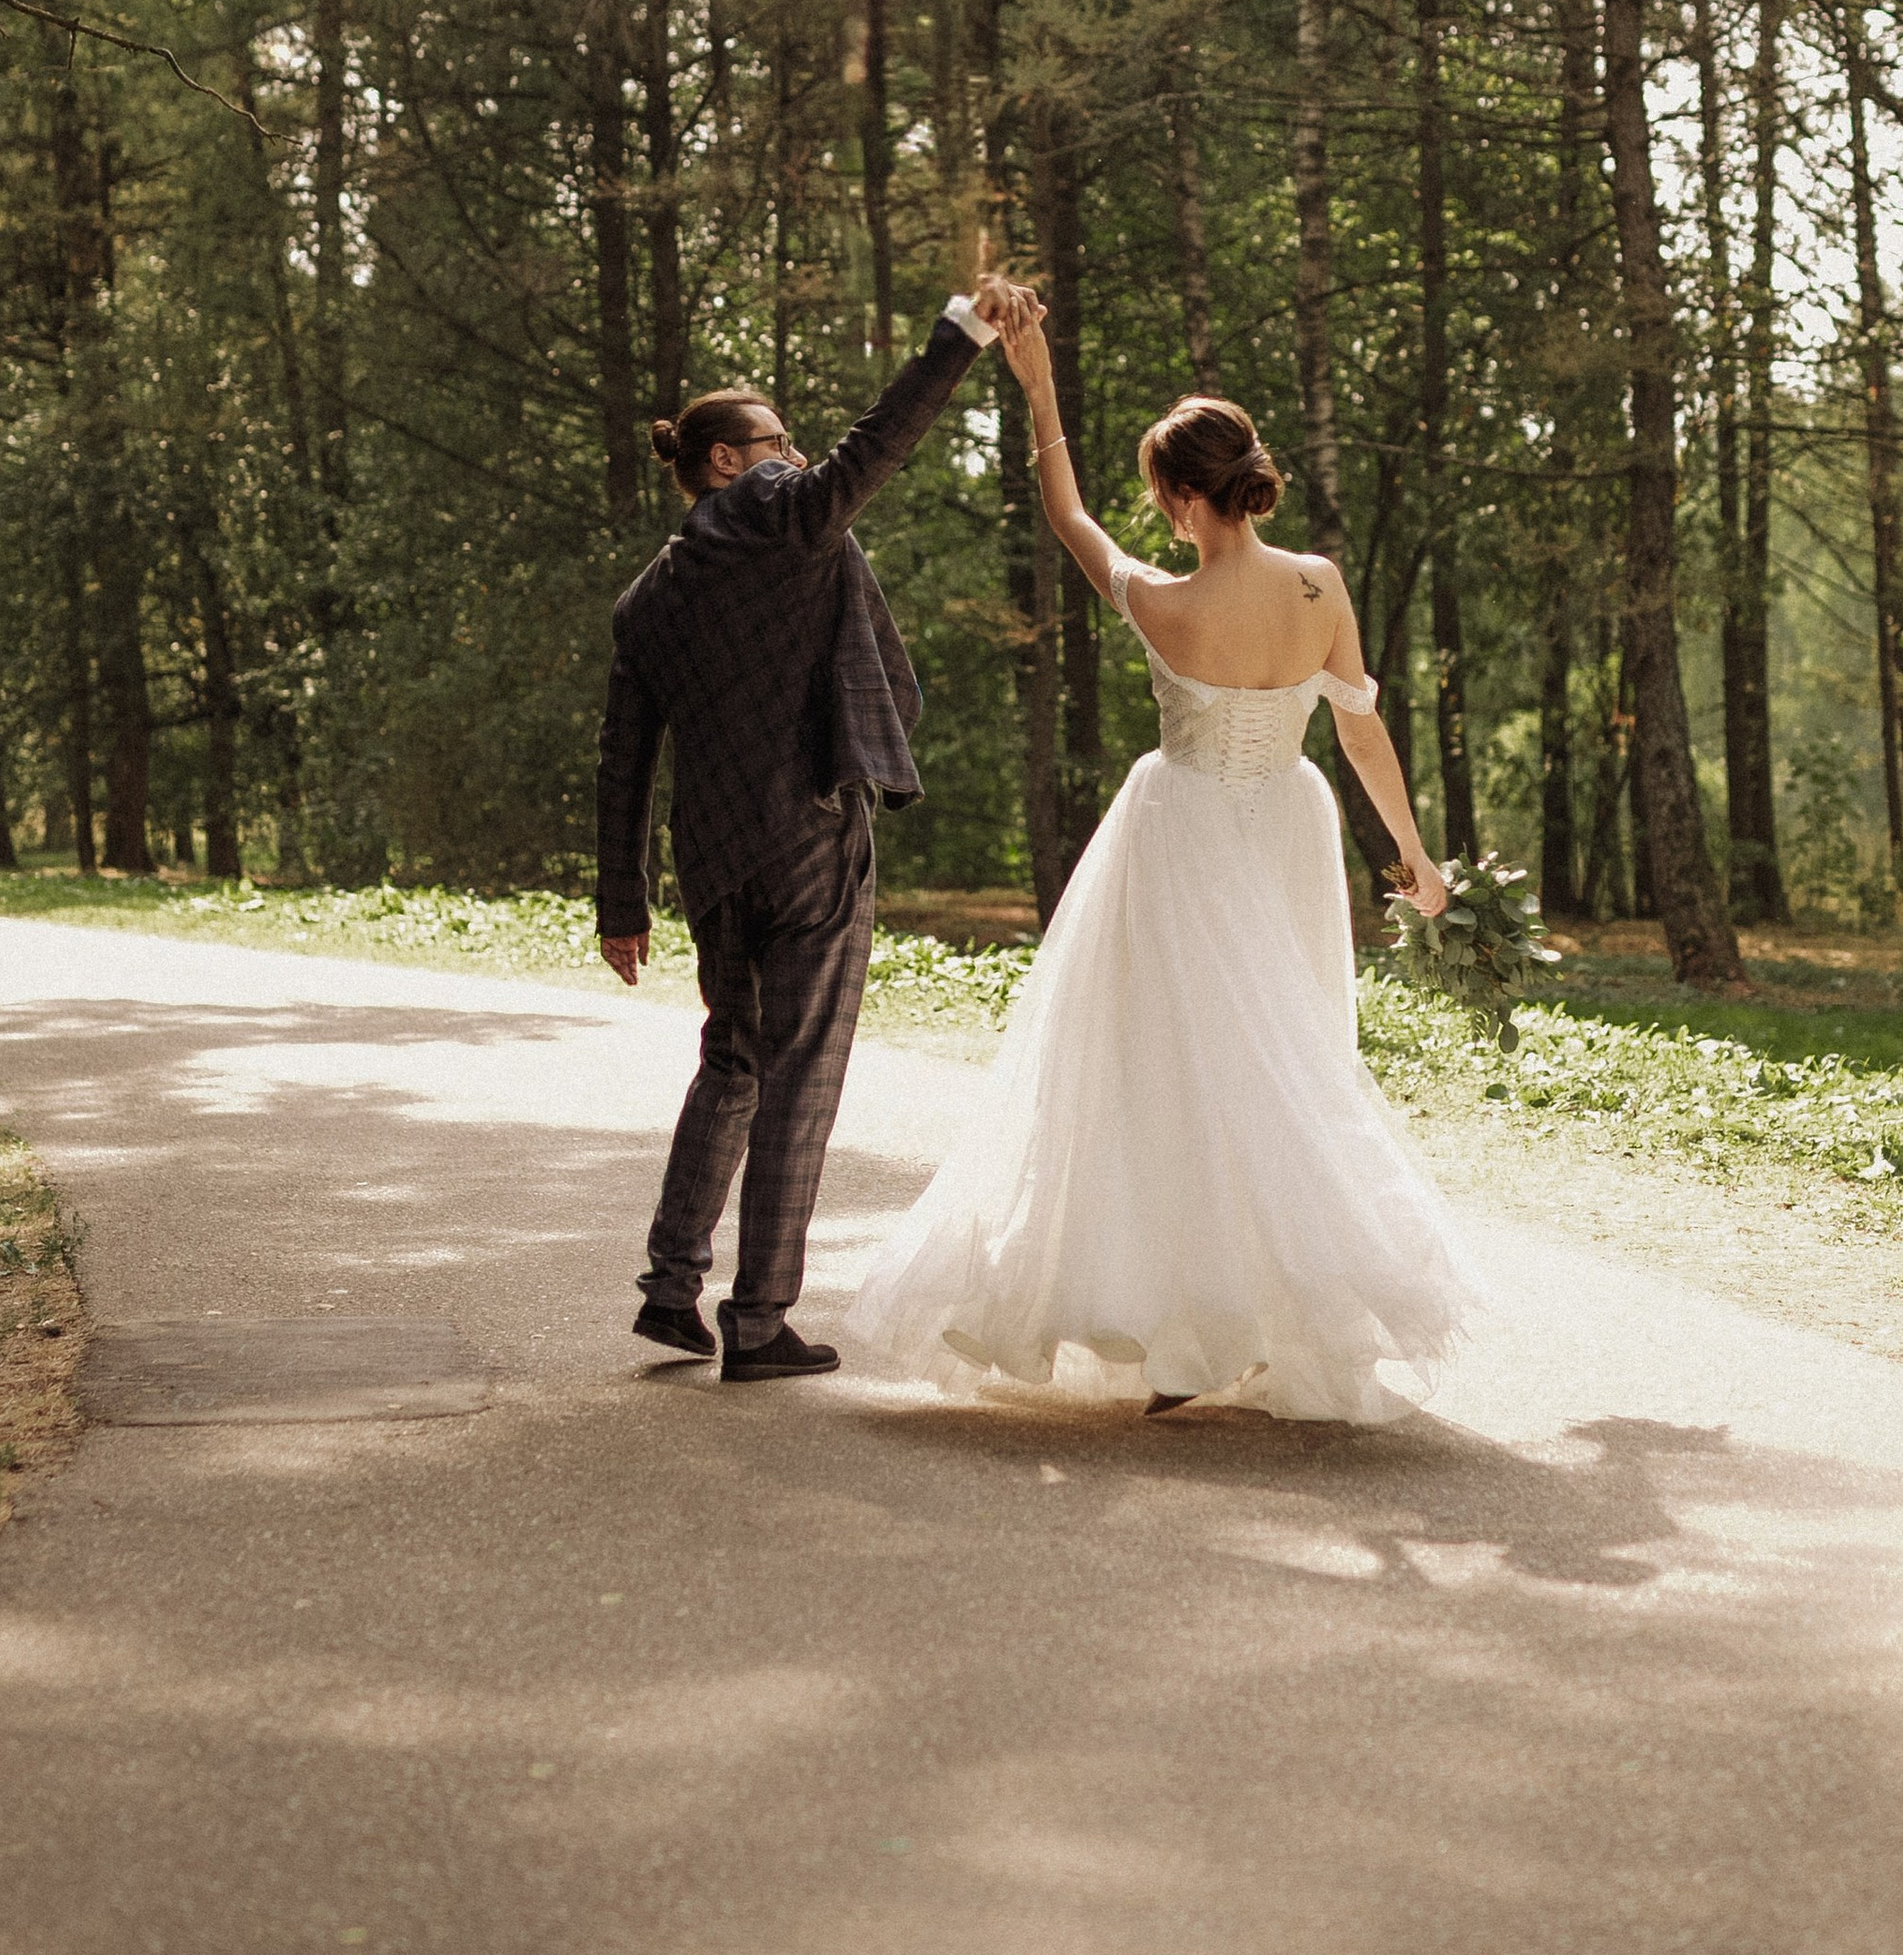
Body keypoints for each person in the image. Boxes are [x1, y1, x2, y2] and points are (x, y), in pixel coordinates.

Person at [849, 298, 1474, 1422]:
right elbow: (1361, 728)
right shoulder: (1318, 583)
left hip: (1181, 829)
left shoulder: (1158, 600)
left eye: (1163, 495)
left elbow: (1066, 513)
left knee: (1162, 1071)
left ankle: (1185, 1328)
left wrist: (1037, 386)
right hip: (1288, 821)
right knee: (1283, 1056)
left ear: (1188, 496)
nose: (1160, 514)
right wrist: (1416, 859)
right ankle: (1249, 1319)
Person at [595, 278, 1026, 1380]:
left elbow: (624, 758)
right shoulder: (782, 515)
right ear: (727, 463)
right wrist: (961, 333)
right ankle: (757, 1319)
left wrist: (622, 902)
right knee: (802, 1074)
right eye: (774, 437)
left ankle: (669, 1286)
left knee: (731, 1059)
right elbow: (873, 444)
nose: (792, 451)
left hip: (713, 856)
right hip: (812, 837)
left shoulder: (649, 597)